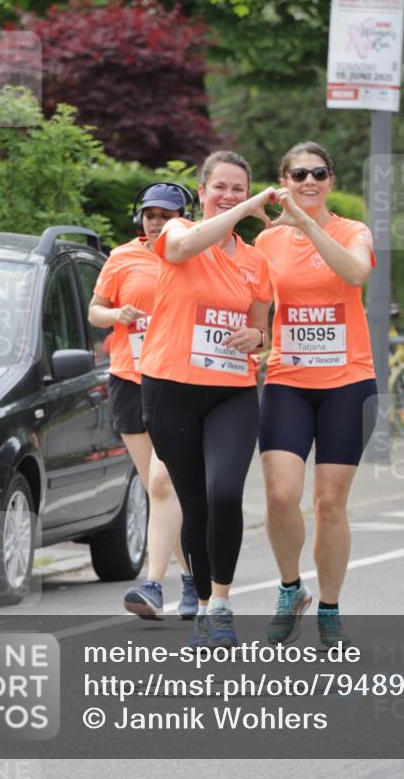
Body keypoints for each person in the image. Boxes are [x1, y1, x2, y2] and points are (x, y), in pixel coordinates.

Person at [139, 152, 275, 647]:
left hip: (231, 392)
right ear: (202, 192)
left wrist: (256, 338)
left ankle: (221, 602)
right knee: (194, 503)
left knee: (224, 494)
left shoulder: (256, 261)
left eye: (239, 189)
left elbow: (261, 330)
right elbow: (183, 248)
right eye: (220, 187)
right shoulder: (178, 231)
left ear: (248, 192)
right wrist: (241, 212)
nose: (229, 196)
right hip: (170, 388)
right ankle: (198, 604)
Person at [254, 141, 378, 648]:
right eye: (299, 174)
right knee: (280, 495)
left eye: (319, 173)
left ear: (331, 181)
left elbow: (355, 273)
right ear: (284, 181)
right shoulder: (267, 241)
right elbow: (256, 308)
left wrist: (305, 224)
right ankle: (290, 590)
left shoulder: (353, 230)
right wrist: (250, 338)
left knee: (329, 503)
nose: (309, 181)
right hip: (288, 379)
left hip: (348, 383)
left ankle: (329, 609)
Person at [88, 183, 198, 620]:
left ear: (183, 220)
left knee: (166, 483)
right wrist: (116, 315)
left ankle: (164, 582)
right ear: (140, 218)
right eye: (150, 215)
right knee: (158, 489)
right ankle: (190, 579)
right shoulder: (121, 258)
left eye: (166, 216)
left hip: (175, 381)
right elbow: (95, 310)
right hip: (130, 379)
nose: (156, 222)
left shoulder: (193, 257)